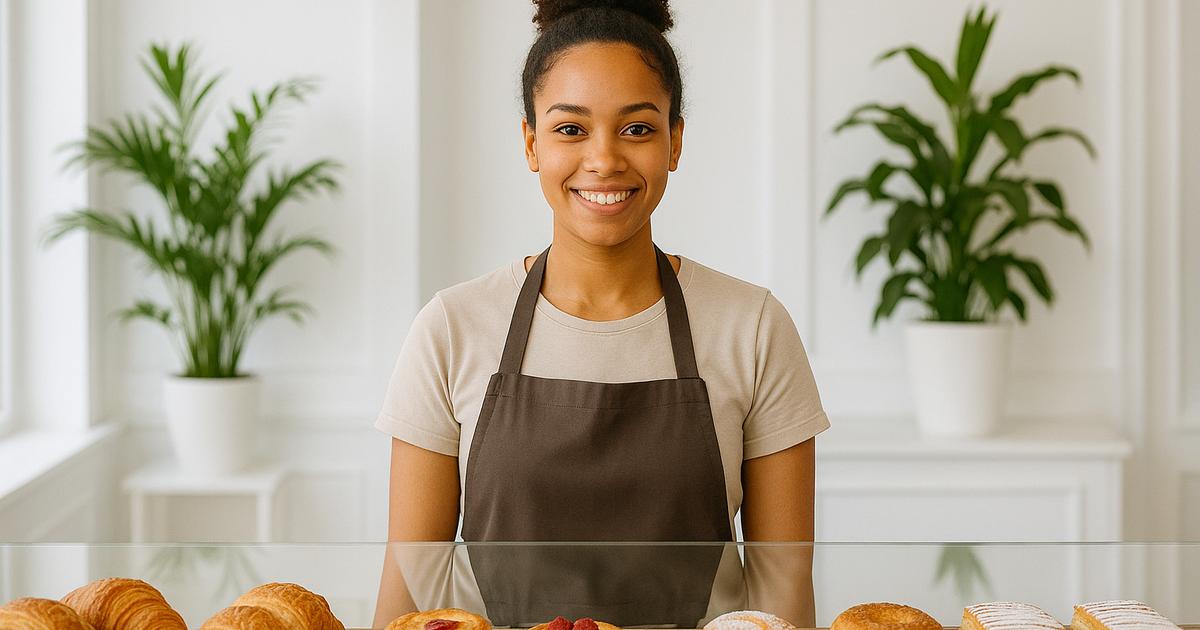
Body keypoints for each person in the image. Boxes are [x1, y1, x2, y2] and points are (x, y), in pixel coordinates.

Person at [373, 1, 829, 627]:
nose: (605, 159)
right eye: (570, 129)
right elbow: (408, 597)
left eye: (638, 128)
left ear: (676, 141)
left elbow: (785, 597)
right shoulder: (451, 328)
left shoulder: (752, 327)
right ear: (531, 143)